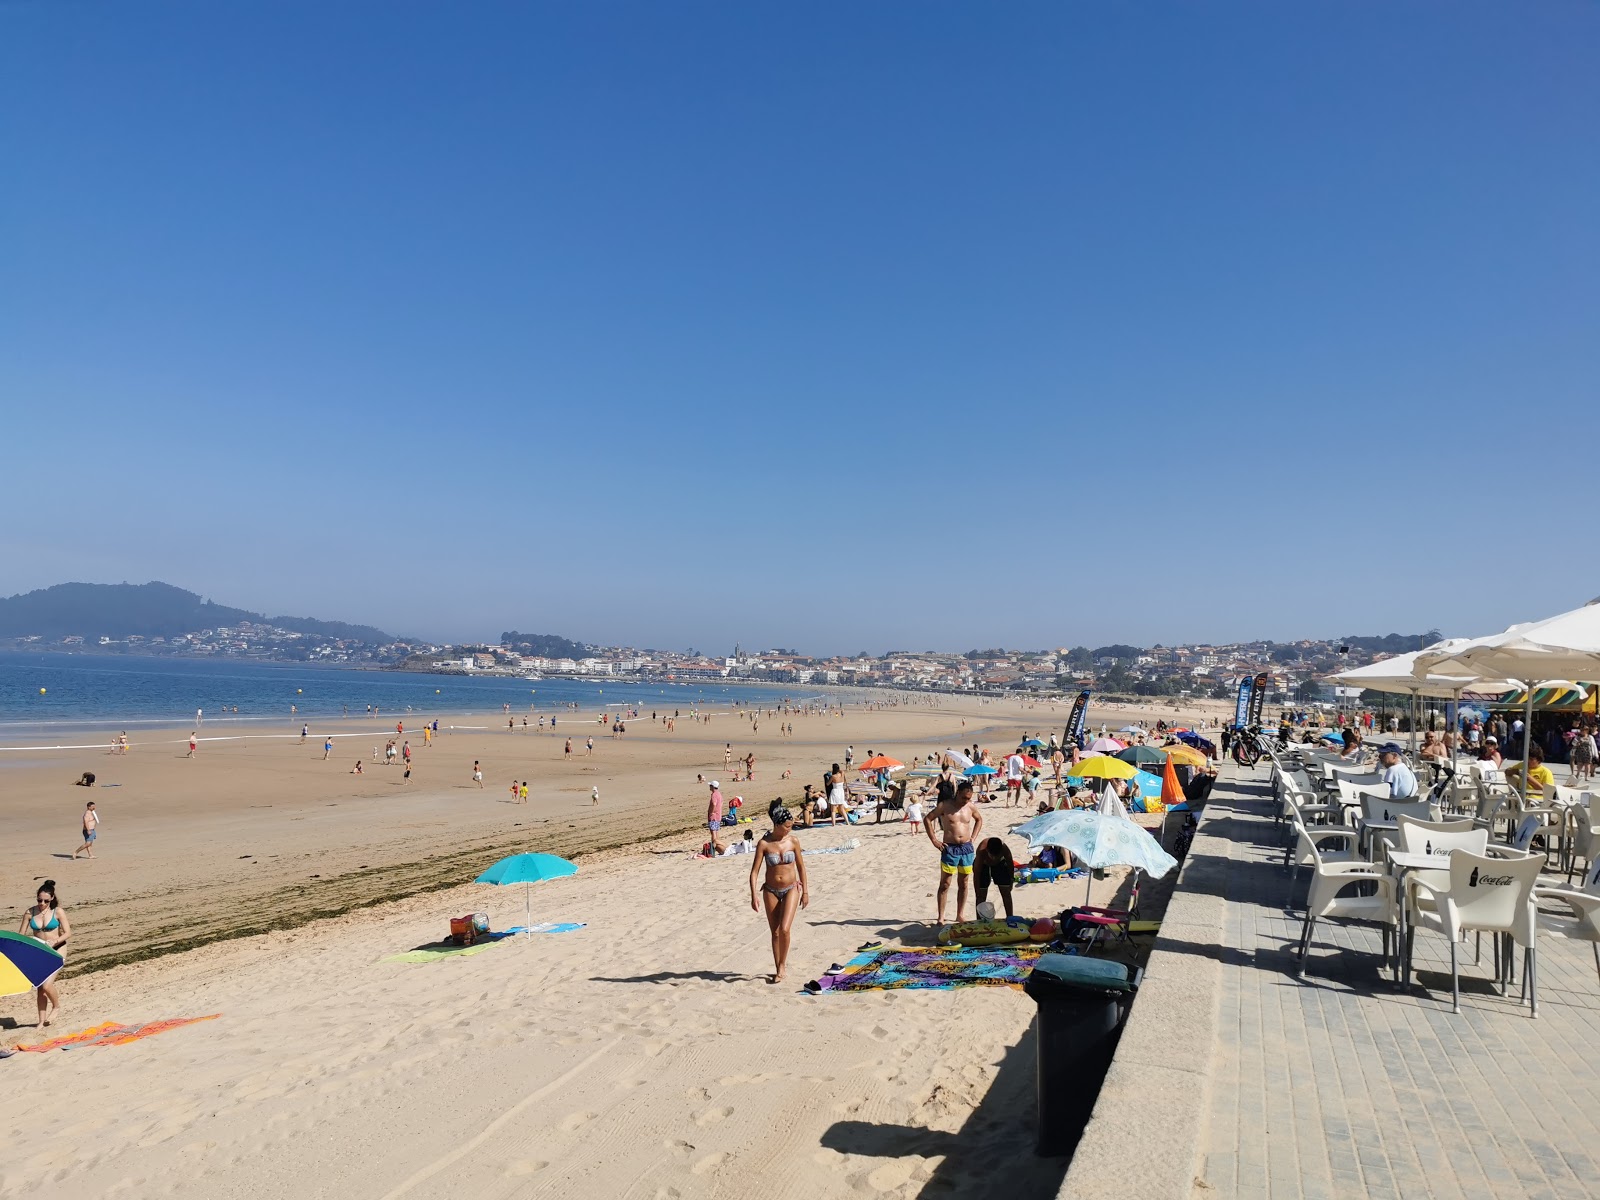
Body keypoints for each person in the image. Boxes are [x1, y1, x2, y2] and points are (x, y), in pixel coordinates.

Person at [748, 802, 807, 984]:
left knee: (784, 929)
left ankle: (783, 965)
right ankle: (777, 967)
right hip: (771, 890)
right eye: (787, 826)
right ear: (776, 824)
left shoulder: (793, 841)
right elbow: (754, 872)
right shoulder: (764, 844)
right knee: (774, 932)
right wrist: (753, 895)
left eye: (791, 826)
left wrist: (806, 891)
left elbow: (801, 867)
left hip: (791, 888)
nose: (789, 829)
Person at [924, 780, 984, 927]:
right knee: (945, 883)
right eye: (964, 797)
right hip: (949, 848)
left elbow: (979, 819)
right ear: (958, 793)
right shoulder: (945, 805)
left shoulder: (970, 806)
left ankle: (960, 914)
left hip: (966, 849)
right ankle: (941, 916)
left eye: (968, 798)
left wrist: (973, 838)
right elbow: (927, 819)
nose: (966, 801)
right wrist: (934, 841)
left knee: (963, 883)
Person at [19, 881, 69, 1026]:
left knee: (47, 986)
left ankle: (56, 1006)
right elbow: (21, 935)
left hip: (58, 949)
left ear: (52, 898)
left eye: (46, 901)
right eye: (39, 900)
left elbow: (68, 933)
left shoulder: (58, 911)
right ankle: (41, 1022)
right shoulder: (30, 913)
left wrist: (56, 940)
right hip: (40, 951)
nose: (42, 903)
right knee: (40, 988)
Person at [974, 837, 1015, 919]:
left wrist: (1011, 879)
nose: (994, 858)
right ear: (987, 850)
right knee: (980, 895)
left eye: (996, 856)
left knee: (1006, 892)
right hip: (984, 865)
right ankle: (979, 920)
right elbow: (977, 873)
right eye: (992, 856)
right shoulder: (981, 851)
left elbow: (1010, 863)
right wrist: (977, 889)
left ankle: (1010, 917)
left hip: (1000, 864)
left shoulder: (1004, 849)